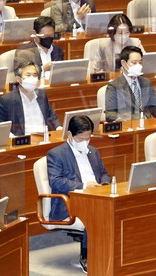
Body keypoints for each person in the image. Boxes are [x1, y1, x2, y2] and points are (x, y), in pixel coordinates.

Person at [47, 114, 111, 273]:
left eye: (88, 138)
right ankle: (86, 255)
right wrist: (83, 186)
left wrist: (104, 183)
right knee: (95, 214)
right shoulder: (56, 154)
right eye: (81, 139)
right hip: (69, 201)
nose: (85, 143)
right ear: (70, 135)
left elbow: (103, 173)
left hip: (97, 195)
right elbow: (56, 181)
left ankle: (110, 253)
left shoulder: (93, 151)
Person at [0, 61, 62, 136]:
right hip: (23, 140)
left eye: (35, 75)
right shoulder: (7, 100)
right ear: (18, 79)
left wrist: (59, 128)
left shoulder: (42, 95)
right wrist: (10, 136)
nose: (32, 78)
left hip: (44, 138)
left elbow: (51, 116)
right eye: (28, 75)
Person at [104, 45, 156, 122]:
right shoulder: (114, 86)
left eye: (140, 62)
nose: (139, 66)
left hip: (147, 123)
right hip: (128, 125)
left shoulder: (146, 82)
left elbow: (155, 107)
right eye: (134, 63)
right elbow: (110, 114)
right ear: (124, 63)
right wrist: (129, 120)